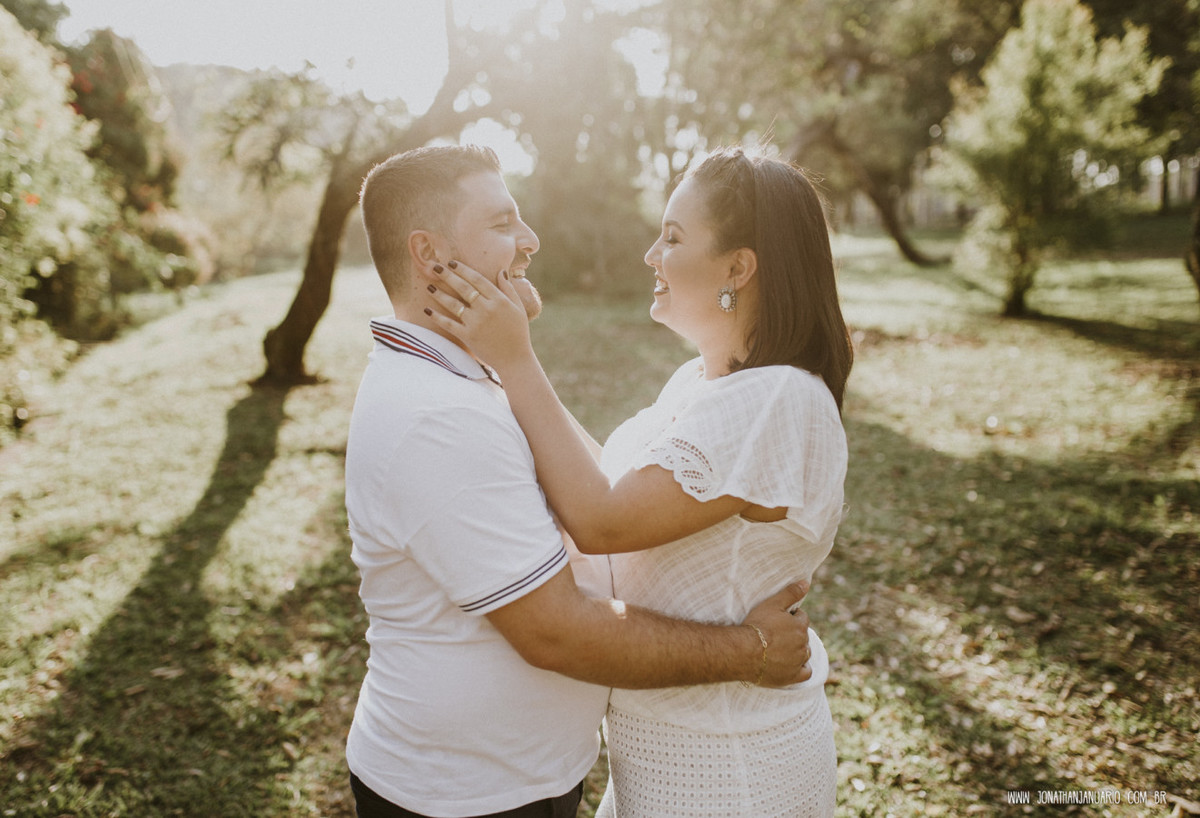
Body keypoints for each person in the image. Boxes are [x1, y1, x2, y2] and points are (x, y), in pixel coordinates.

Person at [345, 144, 818, 818]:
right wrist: (752, 651)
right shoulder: (437, 414)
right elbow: (557, 630)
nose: (531, 240)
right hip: (467, 799)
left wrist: (513, 362)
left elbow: (604, 492)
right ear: (430, 256)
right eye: (503, 223)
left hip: (527, 783)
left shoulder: (468, 378)